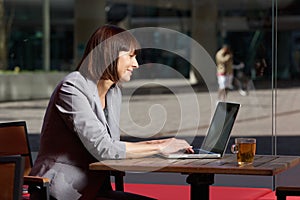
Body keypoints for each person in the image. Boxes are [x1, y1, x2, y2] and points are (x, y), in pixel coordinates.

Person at [29, 25, 193, 200]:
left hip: (95, 189)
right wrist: (161, 146)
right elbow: (104, 148)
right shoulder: (73, 87)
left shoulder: (114, 92)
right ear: (110, 54)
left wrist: (160, 147)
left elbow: (112, 145)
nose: (136, 64)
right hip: (60, 192)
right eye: (131, 56)